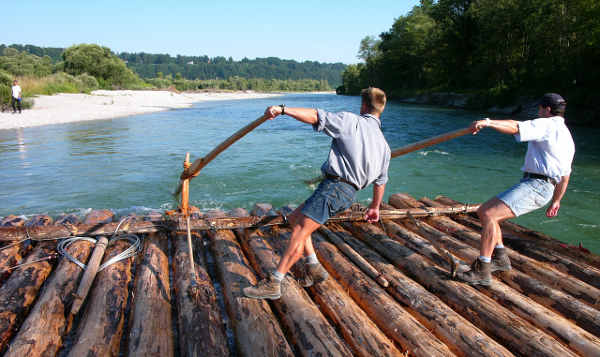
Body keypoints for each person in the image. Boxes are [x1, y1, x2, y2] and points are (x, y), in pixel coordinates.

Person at [243, 87, 391, 299]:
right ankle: (314, 267)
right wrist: (375, 207)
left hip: (335, 187)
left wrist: (283, 109)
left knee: (300, 231)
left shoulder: (352, 121)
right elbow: (381, 181)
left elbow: (316, 116)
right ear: (381, 109)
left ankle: (275, 282)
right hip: (347, 194)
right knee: (295, 220)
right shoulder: (384, 146)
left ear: (363, 106)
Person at [458, 93, 575, 286]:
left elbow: (515, 126)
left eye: (539, 109)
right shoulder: (566, 136)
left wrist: (487, 122)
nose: (538, 112)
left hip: (537, 185)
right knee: (485, 211)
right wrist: (556, 200)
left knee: (489, 214)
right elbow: (566, 176)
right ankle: (501, 258)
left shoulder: (548, 124)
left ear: (546, 109)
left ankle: (482, 270)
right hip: (542, 186)